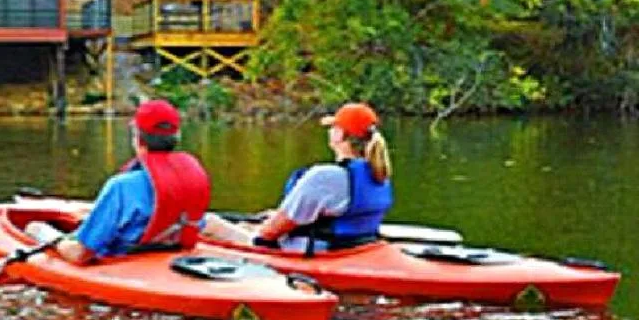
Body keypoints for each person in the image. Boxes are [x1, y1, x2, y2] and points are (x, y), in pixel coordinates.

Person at [200, 102, 393, 255]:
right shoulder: (378, 173)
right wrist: (274, 217)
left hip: (310, 252)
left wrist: (267, 224)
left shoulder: (325, 176)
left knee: (208, 222)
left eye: (333, 127)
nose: (329, 131)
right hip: (355, 247)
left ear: (341, 134)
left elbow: (269, 233)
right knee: (249, 223)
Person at [42, 99, 211, 265]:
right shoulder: (192, 179)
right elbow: (198, 223)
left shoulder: (121, 187)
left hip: (124, 262)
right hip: (169, 254)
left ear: (137, 138)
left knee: (36, 228)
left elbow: (80, 255)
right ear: (176, 137)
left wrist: (47, 236)